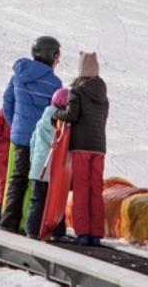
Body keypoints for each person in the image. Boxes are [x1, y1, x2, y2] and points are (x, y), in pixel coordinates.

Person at [0, 36, 61, 233]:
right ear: (51, 55)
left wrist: (16, 124)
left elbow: (7, 102)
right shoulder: (54, 83)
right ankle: (30, 224)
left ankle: (8, 222)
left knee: (17, 179)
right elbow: (55, 114)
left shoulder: (18, 76)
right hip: (41, 140)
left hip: (20, 136)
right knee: (37, 182)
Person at [54, 52, 109, 246]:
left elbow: (71, 115)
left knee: (81, 189)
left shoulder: (77, 92)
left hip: (81, 147)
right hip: (99, 148)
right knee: (96, 190)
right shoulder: (103, 96)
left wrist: (56, 113)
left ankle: (83, 232)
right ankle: (96, 233)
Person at [25, 88, 70, 239]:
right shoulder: (64, 124)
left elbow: (33, 142)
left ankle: (32, 230)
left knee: (37, 201)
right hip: (54, 170)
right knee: (56, 202)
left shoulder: (42, 121)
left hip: (39, 168)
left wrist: (33, 162)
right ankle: (58, 232)